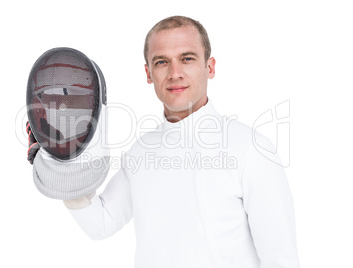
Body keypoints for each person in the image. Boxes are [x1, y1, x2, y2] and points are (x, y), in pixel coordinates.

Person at [28, 16, 300, 268]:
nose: (174, 73)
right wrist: (60, 154)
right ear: (148, 74)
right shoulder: (140, 152)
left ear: (210, 67)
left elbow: (281, 258)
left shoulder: (251, 148)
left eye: (187, 58)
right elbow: (101, 224)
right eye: (161, 62)